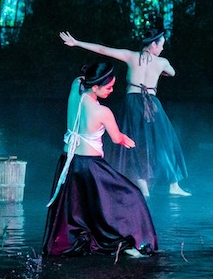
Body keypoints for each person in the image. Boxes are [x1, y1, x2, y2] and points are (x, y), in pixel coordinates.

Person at [43, 62, 158, 257]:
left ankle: (98, 242)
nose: (112, 90)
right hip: (90, 167)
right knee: (132, 196)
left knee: (81, 208)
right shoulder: (102, 112)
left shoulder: (74, 92)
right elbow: (116, 138)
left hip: (69, 163)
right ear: (94, 86)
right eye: (108, 87)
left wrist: (90, 73)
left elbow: (79, 79)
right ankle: (132, 242)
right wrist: (126, 140)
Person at [60, 30, 189, 197]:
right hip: (151, 102)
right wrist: (159, 69)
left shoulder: (131, 56)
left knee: (136, 141)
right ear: (153, 44)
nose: (162, 48)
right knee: (164, 141)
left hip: (133, 102)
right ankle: (173, 184)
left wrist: (77, 42)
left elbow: (103, 50)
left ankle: (143, 185)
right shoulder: (162, 62)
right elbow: (172, 72)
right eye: (161, 45)